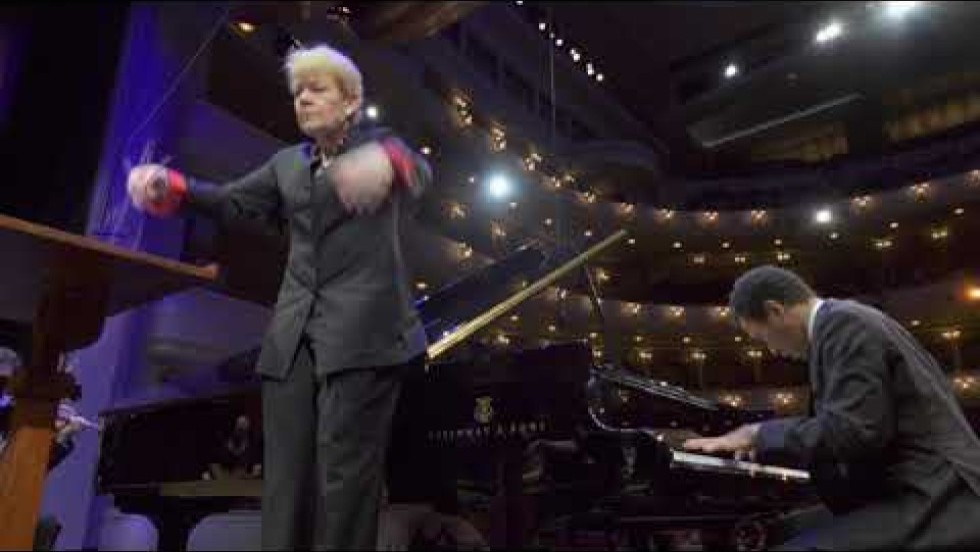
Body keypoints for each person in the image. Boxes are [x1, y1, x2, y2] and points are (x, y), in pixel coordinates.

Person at [126, 43, 432, 550]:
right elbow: (232, 202)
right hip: (292, 338)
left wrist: (385, 162)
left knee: (345, 481)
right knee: (285, 480)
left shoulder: (381, 146)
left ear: (351, 102)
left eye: (317, 90)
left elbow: (418, 173)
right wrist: (173, 189)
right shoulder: (287, 164)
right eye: (298, 92)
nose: (303, 100)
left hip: (366, 335)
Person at [683, 265, 980, 549]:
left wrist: (758, 434)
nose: (772, 351)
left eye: (763, 338)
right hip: (920, 488)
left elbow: (854, 431)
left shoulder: (843, 324)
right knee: (777, 532)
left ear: (775, 310)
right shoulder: (843, 322)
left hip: (938, 499)